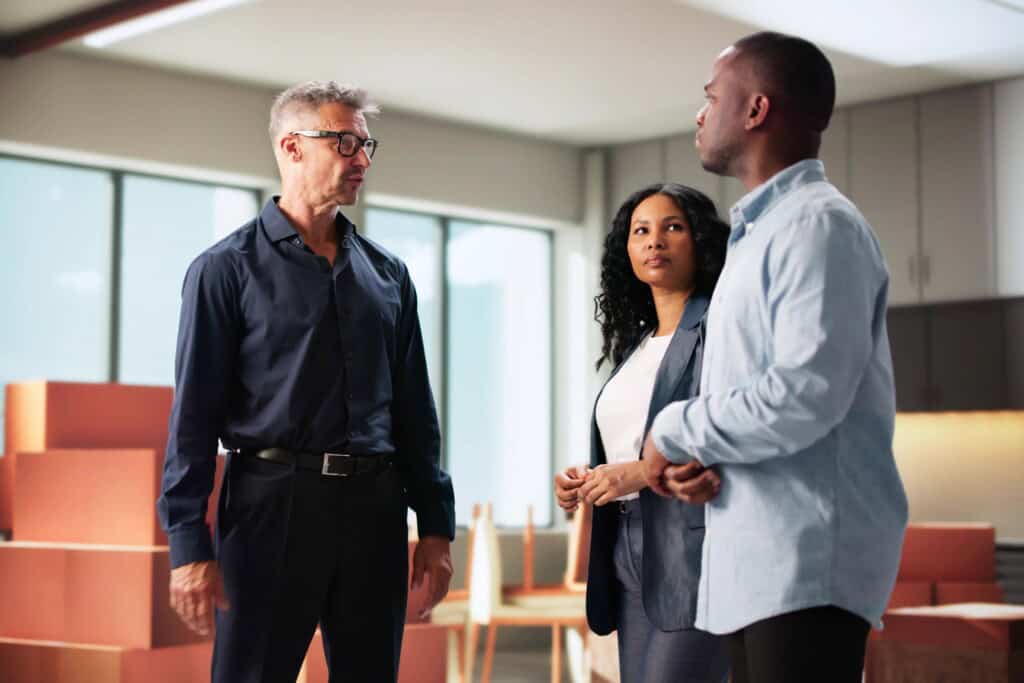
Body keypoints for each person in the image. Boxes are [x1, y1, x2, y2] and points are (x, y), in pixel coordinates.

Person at [157, 81, 455, 683]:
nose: (362, 160)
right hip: (271, 505)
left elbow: (415, 412)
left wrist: (436, 526)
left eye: (368, 144)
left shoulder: (388, 275)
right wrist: (189, 545)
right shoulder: (224, 269)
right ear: (292, 147)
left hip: (375, 509)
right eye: (345, 142)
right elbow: (191, 418)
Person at [640, 32, 909, 683]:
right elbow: (754, 401)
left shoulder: (819, 226)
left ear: (755, 110)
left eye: (712, 98)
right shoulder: (756, 237)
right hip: (754, 569)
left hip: (805, 569)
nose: (700, 114)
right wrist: (699, 457)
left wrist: (675, 428)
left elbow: (802, 395)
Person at [554, 183, 730, 683]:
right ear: (626, 249)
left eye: (672, 227)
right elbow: (631, 440)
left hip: (691, 545)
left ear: (699, 241)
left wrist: (638, 473)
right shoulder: (637, 345)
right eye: (641, 231)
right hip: (624, 545)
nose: (655, 241)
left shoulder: (720, 330)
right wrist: (587, 481)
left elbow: (730, 430)